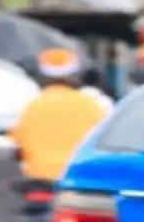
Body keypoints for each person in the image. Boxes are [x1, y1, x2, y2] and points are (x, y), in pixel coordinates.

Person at [10, 49, 110, 182]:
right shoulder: (96, 104)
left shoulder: (28, 104)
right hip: (80, 177)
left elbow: (15, 142)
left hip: (38, 176)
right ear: (75, 75)